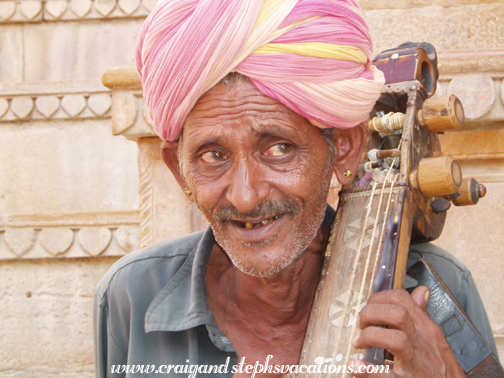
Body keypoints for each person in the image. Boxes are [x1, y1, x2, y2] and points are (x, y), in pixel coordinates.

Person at [94, 0, 498, 377]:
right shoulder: (132, 295)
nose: (246, 196)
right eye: (213, 155)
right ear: (180, 172)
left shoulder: (437, 289)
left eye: (279, 149)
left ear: (344, 149)